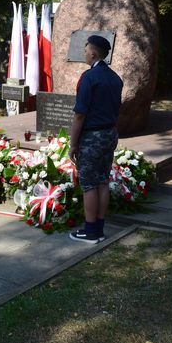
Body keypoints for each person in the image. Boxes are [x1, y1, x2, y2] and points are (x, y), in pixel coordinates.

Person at [68, 35, 123, 244]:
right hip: (109, 134)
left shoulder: (89, 77)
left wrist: (73, 144)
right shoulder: (115, 78)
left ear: (93, 53)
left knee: (89, 184)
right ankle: (99, 228)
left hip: (92, 137)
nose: (84, 54)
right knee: (102, 181)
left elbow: (80, 114)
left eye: (85, 51)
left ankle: (91, 231)